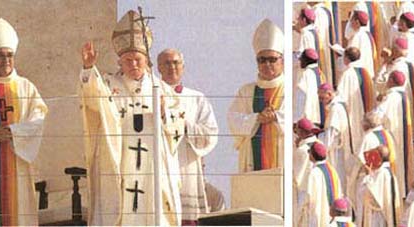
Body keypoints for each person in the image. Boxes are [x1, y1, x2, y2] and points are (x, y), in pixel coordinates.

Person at [78, 10, 181, 225]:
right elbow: (91, 97)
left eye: (137, 59)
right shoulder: (108, 85)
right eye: (127, 60)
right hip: (120, 163)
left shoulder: (161, 89)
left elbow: (177, 128)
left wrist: (164, 113)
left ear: (146, 60)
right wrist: (89, 67)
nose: (133, 64)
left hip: (151, 167)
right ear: (119, 61)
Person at [0, 18, 48, 226]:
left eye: (10, 55)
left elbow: (39, 118)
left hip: (17, 167)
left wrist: (15, 132)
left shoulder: (25, 88)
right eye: (0, 55)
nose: (6, 60)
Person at [157, 48, 219, 224]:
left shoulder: (197, 98)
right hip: (160, 164)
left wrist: (183, 125)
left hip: (187, 166)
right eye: (167, 63)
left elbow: (210, 132)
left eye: (176, 62)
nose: (172, 67)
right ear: (159, 68)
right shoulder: (152, 94)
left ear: (183, 66)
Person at [228, 19, 284, 172]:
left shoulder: (289, 87)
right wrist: (257, 117)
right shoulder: (246, 91)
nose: (267, 64)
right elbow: (233, 118)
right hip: (253, 158)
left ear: (282, 61)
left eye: (272, 59)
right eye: (262, 60)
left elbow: (299, 116)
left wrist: (276, 117)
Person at [374, 70, 414, 194]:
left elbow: (378, 115)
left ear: (391, 81)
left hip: (391, 136)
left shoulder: (391, 97)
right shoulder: (404, 96)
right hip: (402, 135)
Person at [336, 46, 375, 157]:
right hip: (366, 113)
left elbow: (340, 97)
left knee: (355, 142)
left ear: (346, 58)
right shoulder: (366, 72)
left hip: (353, 113)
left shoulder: (347, 74)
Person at [356, 146, 400, 227]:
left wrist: (367, 176)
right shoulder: (388, 171)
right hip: (384, 214)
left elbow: (371, 195)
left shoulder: (382, 173)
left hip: (378, 216)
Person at [302, 142, 343, 227]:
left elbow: (308, 198)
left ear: (312, 156)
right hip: (331, 218)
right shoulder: (333, 170)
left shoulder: (314, 173)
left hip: (318, 215)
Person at [296, 49, 326, 125]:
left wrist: (297, 120)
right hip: (319, 116)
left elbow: (302, 98)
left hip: (310, 118)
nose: (300, 61)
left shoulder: (306, 74)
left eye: (301, 59)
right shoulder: (320, 72)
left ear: (306, 60)